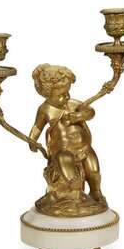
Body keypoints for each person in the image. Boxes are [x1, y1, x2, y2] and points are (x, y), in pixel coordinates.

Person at [29, 63, 106, 217]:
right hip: (62, 151)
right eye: (62, 94)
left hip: (84, 147)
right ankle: (74, 197)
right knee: (70, 173)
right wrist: (32, 140)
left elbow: (90, 111)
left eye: (68, 92)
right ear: (48, 93)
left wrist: (78, 116)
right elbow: (37, 127)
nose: (66, 97)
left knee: (94, 171)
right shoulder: (45, 110)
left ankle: (95, 192)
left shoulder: (72, 104)